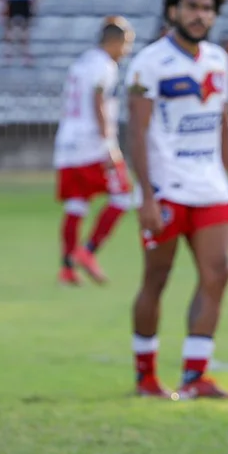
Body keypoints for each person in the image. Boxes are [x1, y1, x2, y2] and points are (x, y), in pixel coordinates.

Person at [125, 0, 228, 401]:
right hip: (167, 190)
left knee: (219, 274)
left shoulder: (218, 58)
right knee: (156, 279)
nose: (200, 15)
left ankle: (196, 379)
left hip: (211, 188)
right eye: (192, 7)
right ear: (174, 11)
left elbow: (223, 124)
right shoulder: (149, 63)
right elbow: (136, 134)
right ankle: (145, 378)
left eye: (208, 9)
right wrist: (144, 196)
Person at [54, 17, 138, 285]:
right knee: (123, 197)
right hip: (92, 144)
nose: (126, 52)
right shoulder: (105, 65)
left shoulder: (81, 62)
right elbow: (98, 101)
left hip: (68, 142)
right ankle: (87, 252)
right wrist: (109, 145)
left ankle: (67, 267)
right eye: (126, 45)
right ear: (114, 42)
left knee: (76, 204)